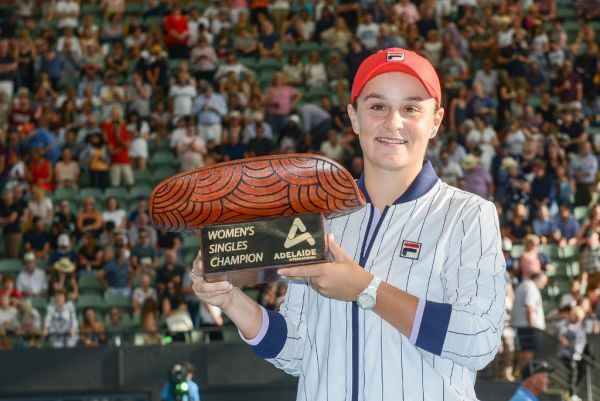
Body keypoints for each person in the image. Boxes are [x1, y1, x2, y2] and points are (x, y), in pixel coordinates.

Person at [190, 48, 505, 400]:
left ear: (436, 120)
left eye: (411, 108)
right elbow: (299, 350)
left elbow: (478, 340)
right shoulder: (315, 216)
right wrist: (230, 300)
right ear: (354, 117)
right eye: (377, 106)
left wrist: (365, 289)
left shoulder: (468, 214)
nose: (393, 122)